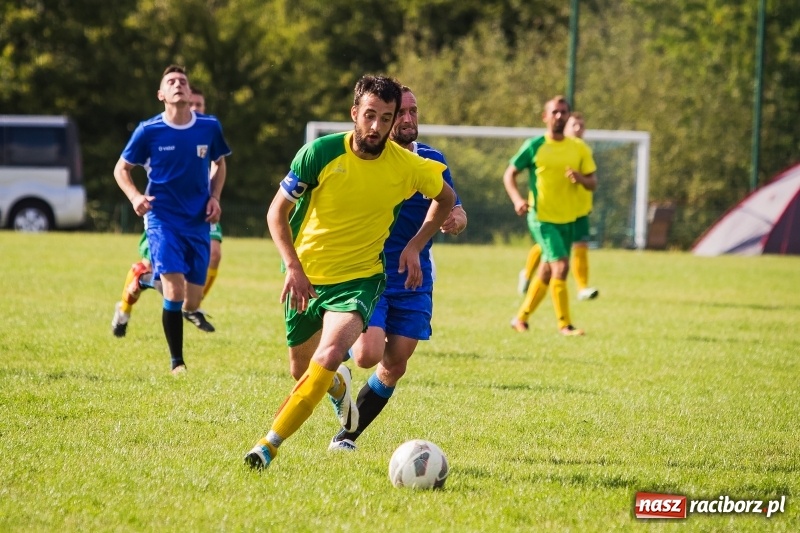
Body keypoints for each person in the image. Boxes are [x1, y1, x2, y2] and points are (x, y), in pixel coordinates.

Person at [244, 75, 456, 470]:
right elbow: (277, 212)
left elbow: (445, 198)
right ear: (354, 113)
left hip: (361, 279)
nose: (376, 127)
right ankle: (337, 384)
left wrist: (415, 244)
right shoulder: (320, 152)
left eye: (386, 118)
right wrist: (292, 266)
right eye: (370, 116)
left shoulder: (410, 165)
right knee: (302, 370)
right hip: (307, 275)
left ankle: (268, 445)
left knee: (333, 356)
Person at [327, 86, 468, 452]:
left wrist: (456, 220)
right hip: (372, 271)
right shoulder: (372, 161)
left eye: (413, 112)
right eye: (400, 113)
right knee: (367, 354)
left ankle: (346, 437)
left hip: (416, 277)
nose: (408, 120)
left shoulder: (433, 161)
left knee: (395, 363)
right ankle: (333, 359)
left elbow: (456, 209)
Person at [113, 65, 231, 374]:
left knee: (190, 301)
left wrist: (215, 197)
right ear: (161, 94)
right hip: (162, 220)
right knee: (175, 292)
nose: (178, 84)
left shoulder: (209, 127)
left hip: (197, 222)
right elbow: (121, 169)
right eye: (171, 82)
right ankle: (177, 363)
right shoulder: (148, 131)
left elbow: (219, 163)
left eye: (183, 81)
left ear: (190, 93)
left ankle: (143, 279)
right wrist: (136, 197)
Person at [503, 95, 596, 336]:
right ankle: (565, 325)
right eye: (554, 112)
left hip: (568, 219)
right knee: (561, 266)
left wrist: (581, 178)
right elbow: (510, 174)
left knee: (547, 270)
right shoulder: (534, 145)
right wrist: (517, 199)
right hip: (541, 218)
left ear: (568, 116)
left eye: (563, 112)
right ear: (545, 117)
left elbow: (593, 182)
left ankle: (520, 318)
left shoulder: (579, 148)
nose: (559, 116)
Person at [516, 112, 599, 301]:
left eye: (582, 126)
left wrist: (582, 182)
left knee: (579, 247)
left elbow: (592, 182)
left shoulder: (581, 149)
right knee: (552, 255)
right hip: (546, 212)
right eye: (574, 125)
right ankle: (527, 276)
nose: (578, 129)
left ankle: (582, 288)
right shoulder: (544, 146)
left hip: (577, 211)